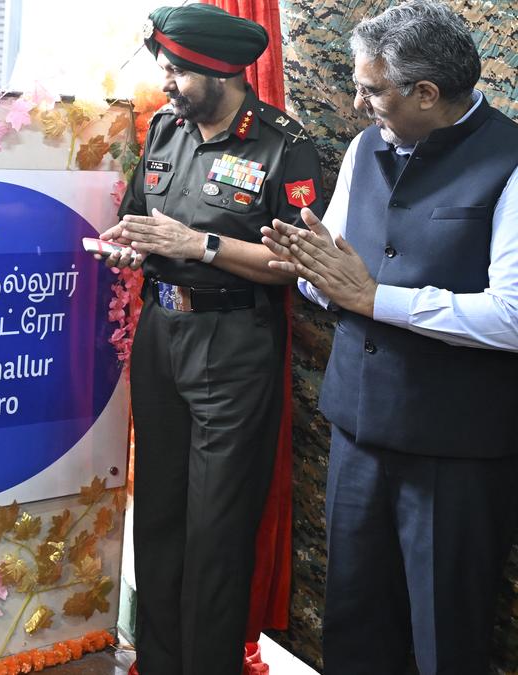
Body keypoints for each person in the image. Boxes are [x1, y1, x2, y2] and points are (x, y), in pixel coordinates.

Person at [261, 1, 518, 672]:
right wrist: (313, 269)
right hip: (356, 433)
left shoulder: (510, 161)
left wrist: (374, 296)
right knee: (354, 625)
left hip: (454, 453)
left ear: (426, 93)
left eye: (372, 88)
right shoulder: (363, 148)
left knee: (444, 640)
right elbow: (335, 278)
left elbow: (510, 316)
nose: (356, 101)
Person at [99, 5, 325, 674]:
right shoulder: (166, 128)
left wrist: (199, 244)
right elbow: (141, 216)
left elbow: (296, 264)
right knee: (161, 513)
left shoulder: (284, 145)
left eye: (176, 71)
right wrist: (130, 244)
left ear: (221, 73)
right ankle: (160, 663)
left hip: (234, 344)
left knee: (218, 525)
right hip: (162, 333)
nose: (165, 83)